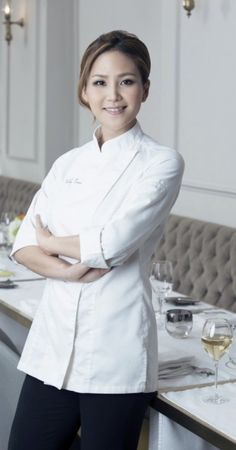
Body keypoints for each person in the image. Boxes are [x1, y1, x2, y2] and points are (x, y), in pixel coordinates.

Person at [8, 30, 184, 450]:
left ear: (145, 88)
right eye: (100, 82)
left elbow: (112, 244)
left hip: (115, 352)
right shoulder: (66, 163)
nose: (114, 95)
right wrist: (70, 265)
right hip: (52, 349)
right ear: (84, 90)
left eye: (126, 81)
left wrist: (52, 241)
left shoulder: (161, 162)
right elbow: (23, 245)